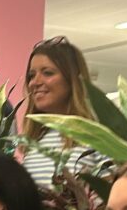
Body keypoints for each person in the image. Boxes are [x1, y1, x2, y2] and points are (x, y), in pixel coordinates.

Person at [19, 36, 103, 187]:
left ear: (71, 80)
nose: (35, 82)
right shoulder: (35, 140)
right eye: (32, 75)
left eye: (48, 73)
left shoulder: (96, 135)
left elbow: (110, 200)